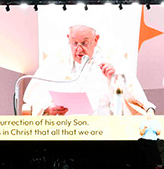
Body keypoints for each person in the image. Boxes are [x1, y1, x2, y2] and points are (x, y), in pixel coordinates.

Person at [22, 23, 153, 116]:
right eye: (74, 43)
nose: (79, 49)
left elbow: (135, 100)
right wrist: (48, 107)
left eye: (84, 43)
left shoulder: (112, 59)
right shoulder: (56, 60)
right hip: (65, 130)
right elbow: (36, 94)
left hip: (103, 131)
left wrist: (113, 78)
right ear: (68, 38)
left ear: (96, 40)